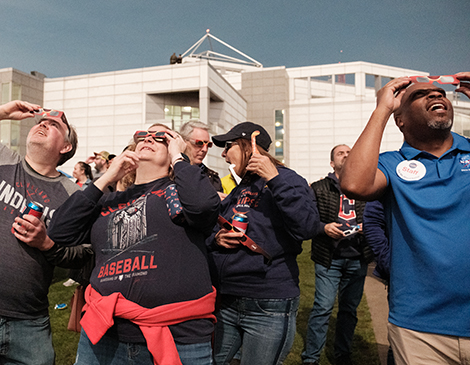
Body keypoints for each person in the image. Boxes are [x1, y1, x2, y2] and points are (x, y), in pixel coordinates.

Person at [47, 124, 220, 365]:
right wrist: (108, 176)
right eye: (143, 136)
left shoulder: (181, 192)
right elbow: (59, 231)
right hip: (106, 335)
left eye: (161, 137)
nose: (149, 138)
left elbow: (204, 206)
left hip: (178, 336)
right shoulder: (110, 200)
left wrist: (179, 158)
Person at [340, 72, 470, 365]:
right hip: (419, 329)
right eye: (420, 94)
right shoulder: (392, 164)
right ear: (401, 120)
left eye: (440, 93)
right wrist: (382, 109)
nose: (436, 95)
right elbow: (354, 184)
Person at [207, 121, 319, 365]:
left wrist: (275, 179)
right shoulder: (242, 187)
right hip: (228, 299)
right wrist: (217, 238)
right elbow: (216, 227)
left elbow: (308, 226)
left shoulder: (288, 179)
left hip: (268, 302)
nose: (224, 154)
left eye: (229, 146)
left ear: (250, 145)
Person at [0, 100, 79, 364]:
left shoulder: (73, 195)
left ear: (66, 147)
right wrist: (3, 112)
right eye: (41, 122)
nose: (43, 123)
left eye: (54, 124)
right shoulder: (5, 160)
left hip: (29, 323)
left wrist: (45, 243)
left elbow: (83, 254)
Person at [302, 144, 374, 365]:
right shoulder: (319, 187)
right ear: (332, 163)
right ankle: (311, 358)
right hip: (328, 257)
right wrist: (324, 228)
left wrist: (367, 226)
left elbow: (377, 216)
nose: (347, 154)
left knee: (349, 310)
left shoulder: (366, 184)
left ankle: (342, 355)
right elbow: (306, 219)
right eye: (341, 153)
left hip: (357, 255)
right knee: (323, 308)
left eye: (350, 152)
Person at [180, 120, 223, 192]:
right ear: (183, 142)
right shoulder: (169, 173)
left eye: (208, 144)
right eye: (199, 143)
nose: (205, 149)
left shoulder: (213, 178)